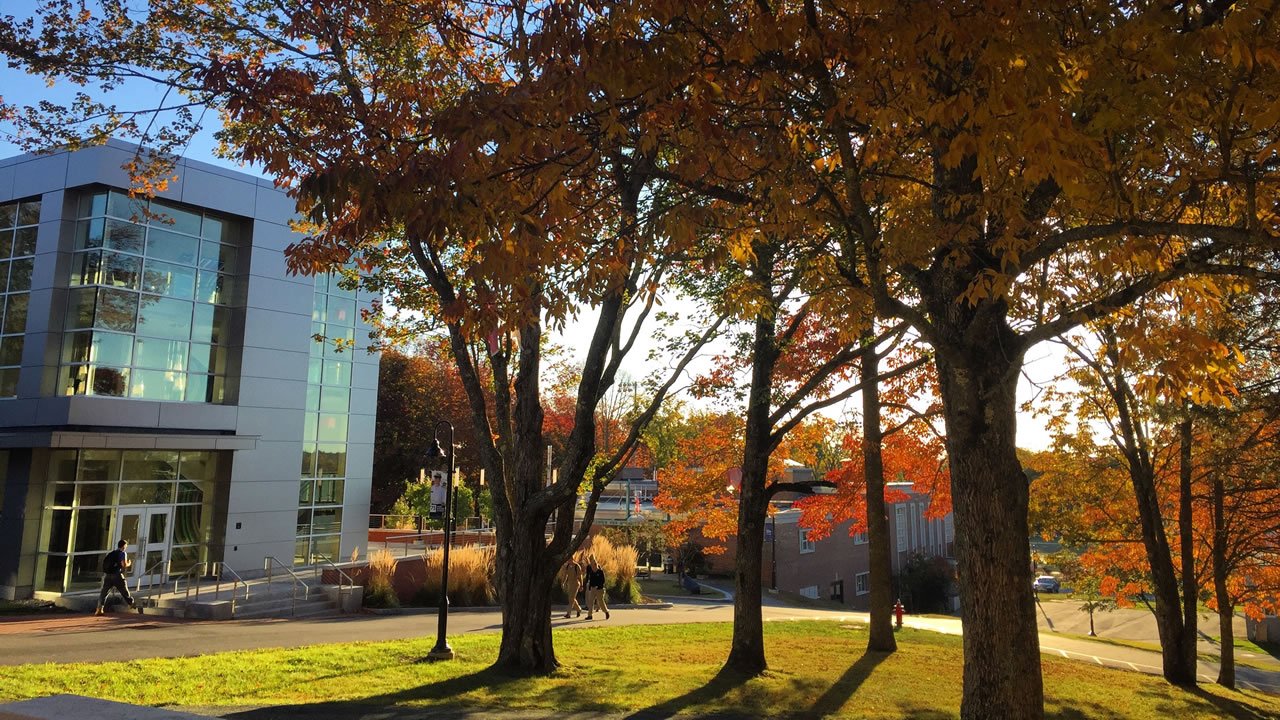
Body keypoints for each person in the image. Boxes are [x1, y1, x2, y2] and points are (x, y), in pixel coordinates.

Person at [95, 539, 134, 616]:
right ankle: (131, 603)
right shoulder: (122, 553)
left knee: (104, 592)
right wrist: (129, 563)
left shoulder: (112, 553)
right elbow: (124, 565)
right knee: (124, 590)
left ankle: (99, 608)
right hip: (117, 575)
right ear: (124, 546)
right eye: (126, 546)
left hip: (108, 575)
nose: (126, 548)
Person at [585, 556, 609, 620]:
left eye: (593, 566)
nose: (592, 567)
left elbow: (603, 581)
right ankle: (590, 615)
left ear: (596, 565)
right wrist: (590, 587)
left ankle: (606, 612)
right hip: (593, 589)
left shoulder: (600, 572)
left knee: (600, 602)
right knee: (591, 602)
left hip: (599, 589)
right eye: (591, 566)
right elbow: (591, 580)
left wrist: (598, 586)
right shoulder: (591, 572)